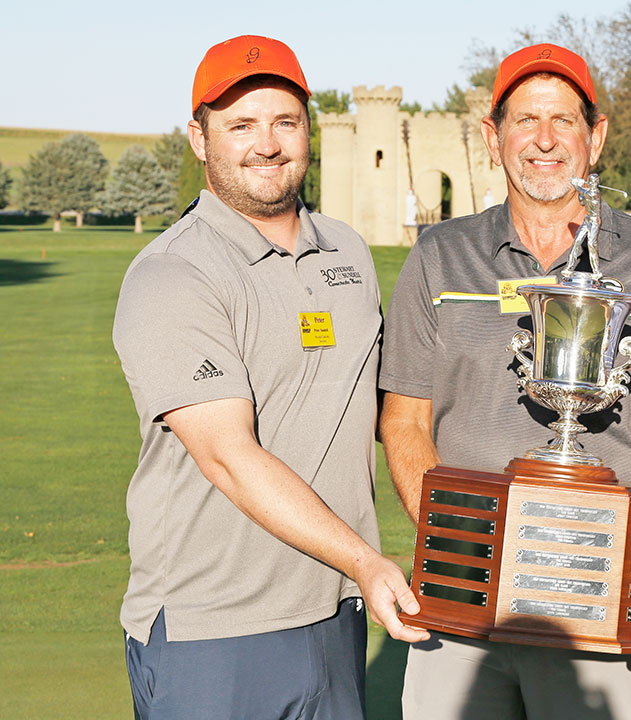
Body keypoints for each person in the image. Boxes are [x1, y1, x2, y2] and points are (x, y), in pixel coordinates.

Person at [379, 43, 631, 720]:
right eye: (525, 119)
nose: (543, 140)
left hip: (601, 607)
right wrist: (468, 549)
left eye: (564, 120)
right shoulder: (439, 257)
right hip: (463, 604)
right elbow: (404, 423)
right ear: (491, 135)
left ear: (596, 137)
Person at [113, 35, 427, 718]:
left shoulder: (345, 250)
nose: (267, 143)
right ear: (199, 138)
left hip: (335, 610)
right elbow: (229, 456)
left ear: (309, 130)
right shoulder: (174, 274)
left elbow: (390, 408)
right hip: (214, 630)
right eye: (240, 125)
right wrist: (368, 562)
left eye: (285, 121)